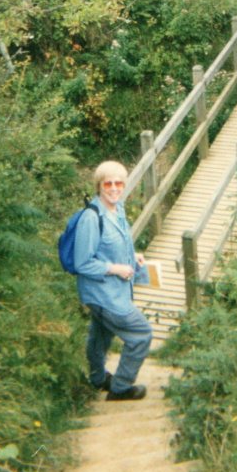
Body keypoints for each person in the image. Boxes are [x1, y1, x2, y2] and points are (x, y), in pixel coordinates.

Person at [73, 160, 153, 400]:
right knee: (141, 334)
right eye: (108, 183)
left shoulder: (118, 210)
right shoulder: (91, 217)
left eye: (119, 183)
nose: (114, 188)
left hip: (110, 292)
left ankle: (98, 379)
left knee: (100, 333)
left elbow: (113, 246)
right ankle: (120, 388)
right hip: (103, 294)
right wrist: (116, 268)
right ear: (99, 186)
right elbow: (83, 263)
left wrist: (132, 256)